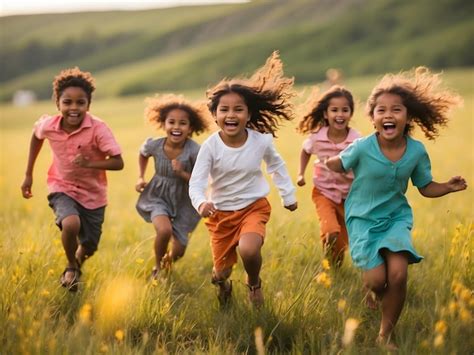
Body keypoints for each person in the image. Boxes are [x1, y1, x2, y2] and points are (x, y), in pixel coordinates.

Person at [325, 67, 467, 349]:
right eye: (381, 110)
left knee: (399, 274)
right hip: (363, 219)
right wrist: (328, 163)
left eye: (396, 110)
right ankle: (372, 290)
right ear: (373, 117)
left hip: (395, 218)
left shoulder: (416, 151)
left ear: (407, 116)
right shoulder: (363, 147)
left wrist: (447, 187)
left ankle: (385, 335)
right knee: (378, 282)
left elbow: (425, 186)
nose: (388, 115)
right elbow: (339, 163)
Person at [189, 51, 298, 308]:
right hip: (220, 215)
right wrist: (201, 203)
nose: (231, 115)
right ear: (215, 115)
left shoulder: (261, 141)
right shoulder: (210, 147)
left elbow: (277, 165)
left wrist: (288, 195)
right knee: (221, 273)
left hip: (253, 207)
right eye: (224, 110)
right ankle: (223, 284)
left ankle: (254, 282)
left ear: (248, 115)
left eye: (238, 109)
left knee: (249, 249)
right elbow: (196, 182)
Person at [21, 67, 124, 292]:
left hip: (94, 194)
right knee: (71, 223)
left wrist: (90, 164)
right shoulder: (49, 125)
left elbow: (118, 162)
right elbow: (36, 136)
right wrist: (28, 173)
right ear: (58, 103)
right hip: (61, 185)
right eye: (67, 102)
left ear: (89, 105)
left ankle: (75, 266)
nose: (74, 108)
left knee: (89, 246)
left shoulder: (98, 129)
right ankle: (70, 265)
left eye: (80, 102)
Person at [135, 94, 209, 280]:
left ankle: (167, 263)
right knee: (164, 230)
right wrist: (140, 177)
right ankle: (158, 268)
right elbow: (143, 154)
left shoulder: (194, 150)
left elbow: (201, 180)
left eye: (182, 123)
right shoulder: (155, 145)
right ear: (164, 124)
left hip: (185, 200)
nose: (176, 127)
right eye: (171, 122)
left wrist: (183, 173)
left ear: (190, 127)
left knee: (179, 250)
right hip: (157, 196)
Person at [296, 86, 360, 267]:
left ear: (350, 113)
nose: (340, 114)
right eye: (334, 110)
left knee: (341, 240)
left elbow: (364, 161)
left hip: (349, 196)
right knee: (331, 231)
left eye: (345, 110)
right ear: (325, 114)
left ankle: (334, 265)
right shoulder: (317, 137)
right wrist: (301, 173)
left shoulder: (356, 140)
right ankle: (329, 254)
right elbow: (305, 151)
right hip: (323, 192)